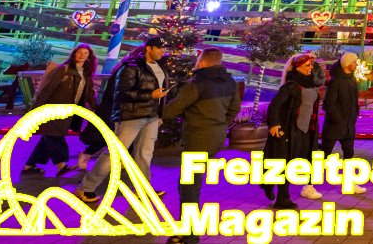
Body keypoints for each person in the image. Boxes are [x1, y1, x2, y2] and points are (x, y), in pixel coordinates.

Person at [76, 36, 170, 204]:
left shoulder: (160, 68)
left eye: (164, 48)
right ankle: (85, 187)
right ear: (149, 48)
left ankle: (143, 189)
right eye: (159, 48)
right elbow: (123, 92)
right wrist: (150, 95)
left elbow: (162, 94)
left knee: (144, 154)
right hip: (131, 117)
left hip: (151, 117)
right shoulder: (130, 67)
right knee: (115, 154)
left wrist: (160, 114)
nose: (162, 51)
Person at [162, 47, 241, 244]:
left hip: (198, 137)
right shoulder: (230, 83)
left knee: (189, 187)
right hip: (216, 137)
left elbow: (171, 110)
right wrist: (221, 124)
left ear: (203, 62)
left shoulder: (198, 84)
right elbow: (234, 109)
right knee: (193, 183)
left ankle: (189, 235)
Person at [22, 44, 98, 176]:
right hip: (54, 109)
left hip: (68, 112)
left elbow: (89, 93)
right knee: (55, 136)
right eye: (79, 52)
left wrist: (97, 108)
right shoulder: (64, 69)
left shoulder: (86, 74)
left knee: (48, 138)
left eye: (85, 53)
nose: (82, 55)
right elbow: (48, 89)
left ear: (89, 57)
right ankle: (61, 165)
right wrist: (36, 108)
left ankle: (29, 166)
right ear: (74, 54)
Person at [263, 53, 322, 208]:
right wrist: (274, 124)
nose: (311, 68)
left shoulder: (310, 84)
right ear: (297, 67)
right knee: (285, 162)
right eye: (307, 65)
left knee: (295, 162)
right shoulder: (290, 86)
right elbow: (275, 106)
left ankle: (270, 185)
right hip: (289, 130)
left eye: (311, 65)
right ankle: (282, 198)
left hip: (305, 131)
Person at [320, 52, 365, 194]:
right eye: (354, 62)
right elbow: (328, 104)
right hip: (335, 125)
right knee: (324, 154)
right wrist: (338, 119)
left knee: (349, 153)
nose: (356, 64)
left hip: (348, 124)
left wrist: (354, 114)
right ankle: (308, 185)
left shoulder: (352, 79)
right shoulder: (335, 81)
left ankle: (349, 183)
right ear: (347, 63)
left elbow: (353, 100)